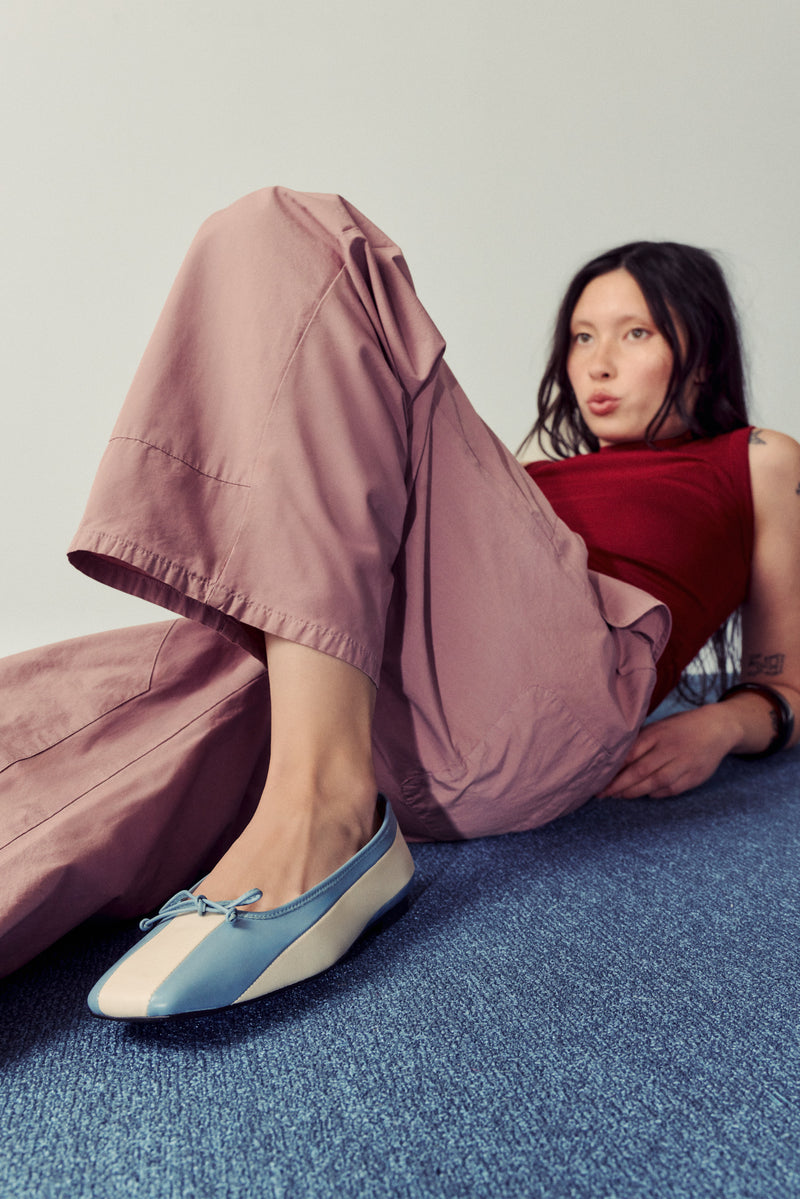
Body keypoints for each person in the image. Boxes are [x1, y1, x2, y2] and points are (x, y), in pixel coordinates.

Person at [1, 188, 798, 1019]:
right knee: (88, 704)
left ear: (700, 352)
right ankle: (315, 784)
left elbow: (787, 680)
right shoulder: (537, 473)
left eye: (636, 334)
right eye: (582, 337)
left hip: (551, 697)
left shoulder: (758, 459)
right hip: (407, 731)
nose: (596, 363)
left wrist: (723, 725)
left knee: (285, 231)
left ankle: (322, 811)